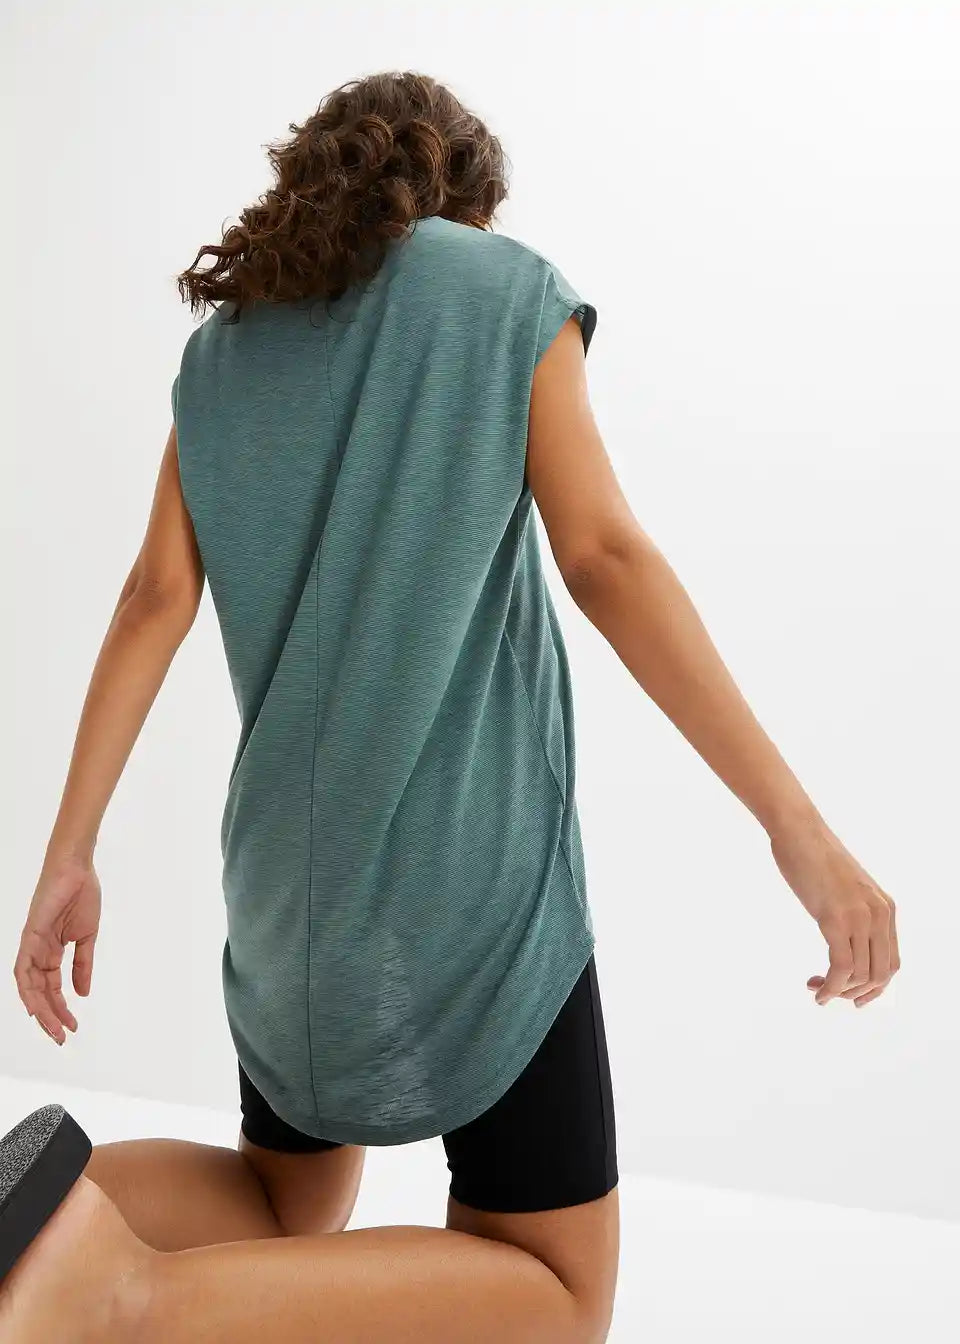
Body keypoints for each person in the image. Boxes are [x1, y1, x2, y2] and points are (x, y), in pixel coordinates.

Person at [2, 70, 898, 1344]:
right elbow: (604, 558)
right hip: (465, 887)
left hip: (283, 889)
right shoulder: (503, 292)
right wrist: (796, 829)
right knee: (556, 1285)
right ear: (461, 189)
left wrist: (70, 853)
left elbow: (154, 599)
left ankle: (56, 1229)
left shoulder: (225, 350)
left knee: (284, 1197)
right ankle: (121, 1299)